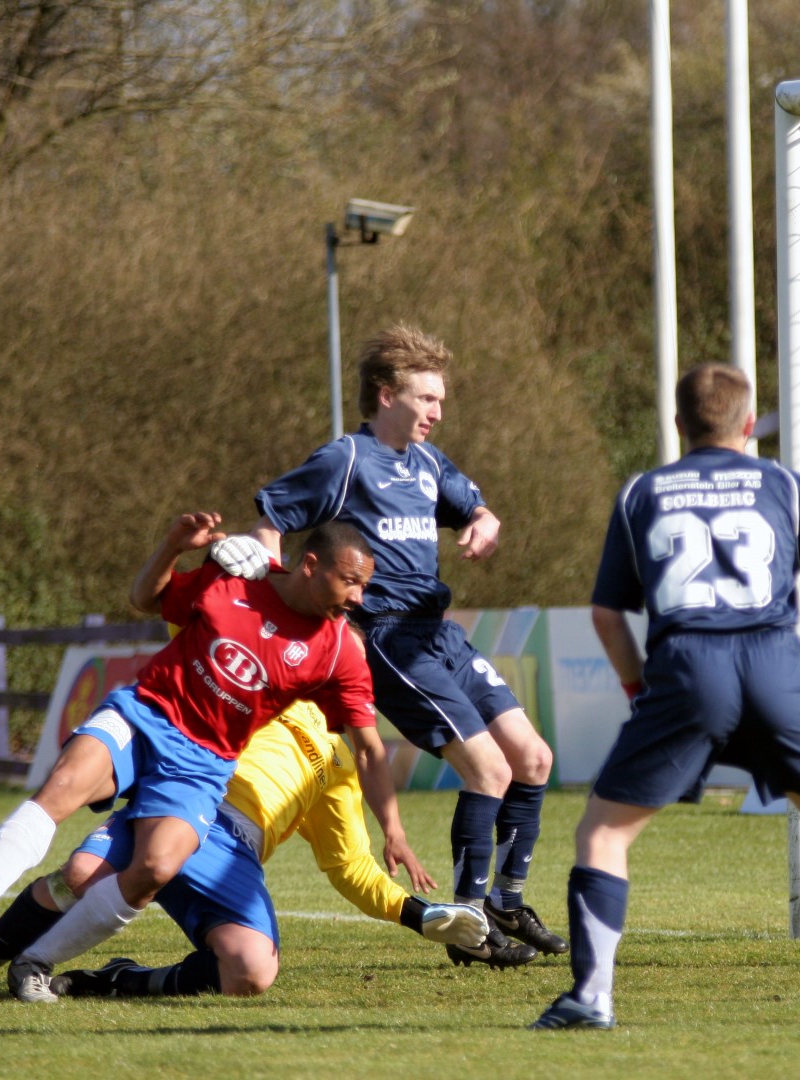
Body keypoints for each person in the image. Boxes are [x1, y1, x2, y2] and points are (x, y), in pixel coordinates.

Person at [531, 363, 800, 1031]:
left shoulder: (643, 492)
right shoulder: (781, 483)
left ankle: (592, 998)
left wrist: (640, 691)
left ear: (678, 424)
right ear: (749, 424)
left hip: (689, 667)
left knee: (602, 832)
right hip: (776, 667)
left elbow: (606, 615)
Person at [0, 514, 427, 1002]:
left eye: (364, 586)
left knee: (156, 867)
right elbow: (146, 599)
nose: (358, 598)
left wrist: (394, 830)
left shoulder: (339, 652)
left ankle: (34, 963)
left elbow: (368, 749)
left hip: (202, 763)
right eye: (351, 582)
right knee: (63, 789)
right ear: (311, 565)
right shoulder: (238, 577)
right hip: (146, 712)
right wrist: (173, 548)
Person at [211, 325, 563, 969]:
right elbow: (271, 518)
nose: (437, 413)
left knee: (534, 759)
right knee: (489, 771)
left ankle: (508, 901)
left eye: (441, 401)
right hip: (389, 639)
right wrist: (275, 586)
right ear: (386, 395)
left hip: (440, 632)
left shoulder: (428, 463)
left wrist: (484, 521)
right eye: (427, 399)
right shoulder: (346, 459)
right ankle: (472, 925)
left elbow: (476, 508)